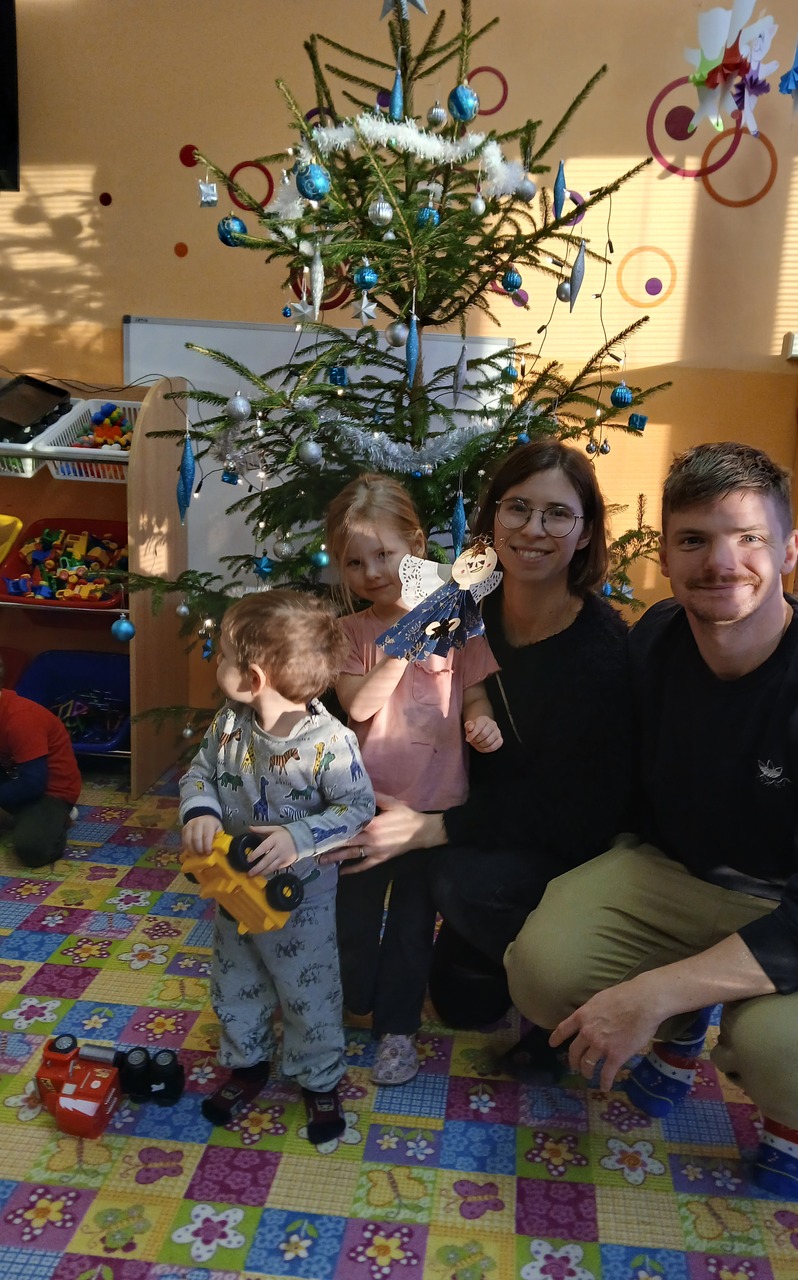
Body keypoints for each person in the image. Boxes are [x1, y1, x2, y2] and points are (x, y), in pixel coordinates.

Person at [505, 441, 798, 1199]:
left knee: (795, 1059)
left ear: (789, 549)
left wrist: (651, 992)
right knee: (541, 971)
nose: (721, 563)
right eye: (694, 540)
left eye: (749, 537)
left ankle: (795, 1115)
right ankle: (686, 1022)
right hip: (679, 872)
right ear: (666, 556)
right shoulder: (656, 639)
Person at [320, 441, 634, 1052]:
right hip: (436, 812)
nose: (533, 529)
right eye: (518, 508)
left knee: (451, 894)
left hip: (544, 843)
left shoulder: (601, 653)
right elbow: (358, 704)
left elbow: (578, 809)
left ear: (586, 532)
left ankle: (554, 959)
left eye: (557, 514)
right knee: (461, 999)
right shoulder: (462, 606)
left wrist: (434, 827)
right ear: (492, 519)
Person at [179, 588, 375, 1144]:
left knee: (308, 990)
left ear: (255, 676)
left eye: (223, 656)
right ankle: (247, 1062)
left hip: (300, 901)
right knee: (235, 979)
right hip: (232, 889)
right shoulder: (229, 723)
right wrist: (200, 809)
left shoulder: (330, 743)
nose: (217, 664)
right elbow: (199, 772)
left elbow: (357, 808)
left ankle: (318, 1077)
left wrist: (298, 837)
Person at [326, 474, 502, 1085]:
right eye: (355, 562)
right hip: (364, 809)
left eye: (384, 555)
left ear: (418, 548)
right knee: (352, 923)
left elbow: (474, 693)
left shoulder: (461, 622)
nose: (372, 572)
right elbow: (360, 706)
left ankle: (397, 1030)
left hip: (432, 811)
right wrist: (405, 639)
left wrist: (482, 723)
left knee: (410, 929)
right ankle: (357, 999)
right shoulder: (349, 633)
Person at [0, 655, 81, 868]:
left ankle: (57, 819)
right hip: (11, 779)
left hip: (49, 791)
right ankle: (23, 817)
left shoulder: (20, 719)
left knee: (32, 848)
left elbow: (33, 783)